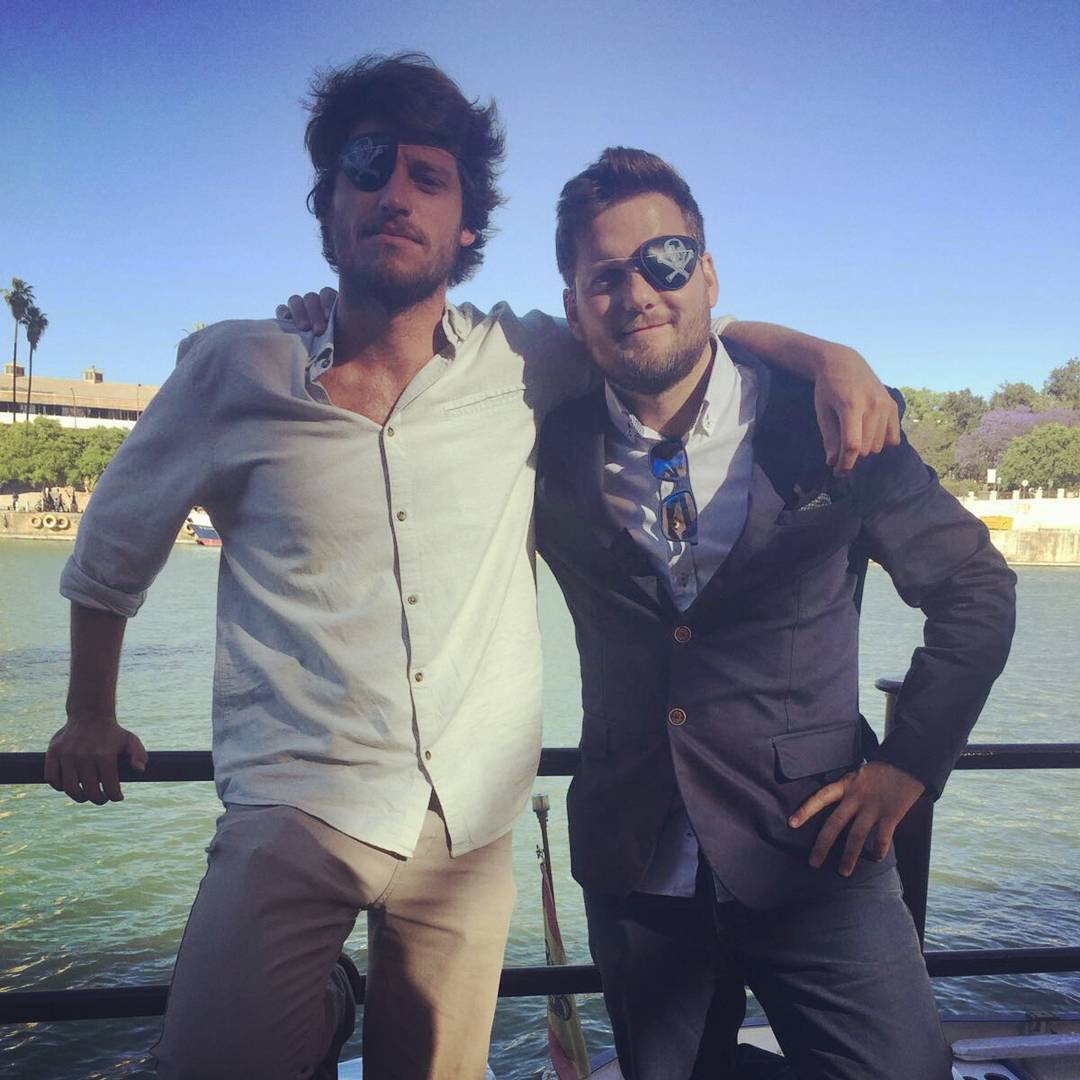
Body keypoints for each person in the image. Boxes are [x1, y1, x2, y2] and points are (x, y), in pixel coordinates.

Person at [46, 54, 899, 1080]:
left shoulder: (525, 361)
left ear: (466, 226)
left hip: (468, 819)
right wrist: (89, 711)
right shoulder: (237, 367)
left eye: (428, 176)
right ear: (329, 205)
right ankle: (327, 1002)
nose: (394, 194)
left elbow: (671, 334)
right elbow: (113, 550)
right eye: (367, 168)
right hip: (293, 806)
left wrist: (827, 356)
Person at [531, 147, 1017, 1080]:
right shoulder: (545, 448)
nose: (638, 292)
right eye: (606, 276)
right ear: (574, 304)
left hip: (819, 854)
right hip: (636, 867)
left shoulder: (826, 418)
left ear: (708, 274)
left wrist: (908, 767)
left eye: (666, 260)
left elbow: (975, 591)